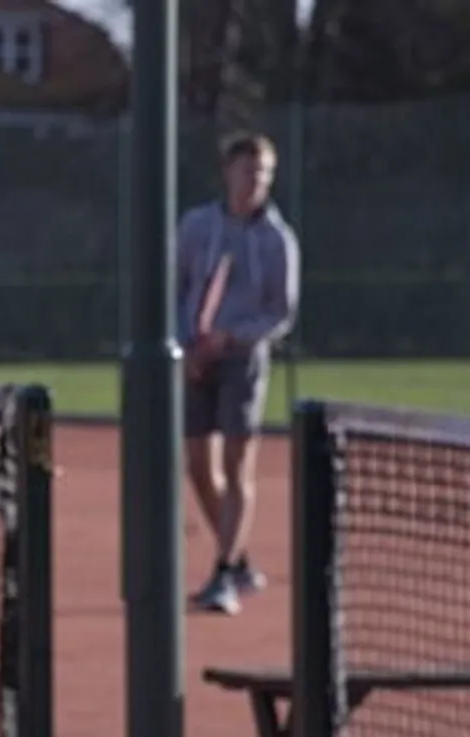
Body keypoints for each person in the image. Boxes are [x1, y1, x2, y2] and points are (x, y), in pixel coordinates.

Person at [179, 132, 301, 616]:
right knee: (197, 467)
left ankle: (224, 572)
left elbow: (281, 313)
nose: (257, 181)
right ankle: (240, 559)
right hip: (194, 358)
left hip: (244, 361)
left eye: (265, 173)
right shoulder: (195, 225)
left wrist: (232, 338)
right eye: (250, 170)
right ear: (228, 171)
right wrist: (183, 344)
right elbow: (176, 286)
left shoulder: (278, 240)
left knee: (236, 465)